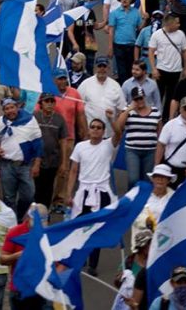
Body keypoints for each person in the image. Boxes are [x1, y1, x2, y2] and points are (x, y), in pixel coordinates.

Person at [65, 115, 121, 275]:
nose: (95, 129)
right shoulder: (80, 147)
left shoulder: (108, 145)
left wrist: (111, 120)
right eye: (93, 127)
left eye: (99, 127)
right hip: (83, 192)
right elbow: (73, 171)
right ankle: (78, 259)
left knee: (96, 229)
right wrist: (69, 194)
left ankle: (93, 265)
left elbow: (118, 133)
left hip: (101, 192)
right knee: (78, 227)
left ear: (103, 131)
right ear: (89, 130)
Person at [0, 98, 42, 220]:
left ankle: (21, 217)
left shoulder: (29, 121)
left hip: (25, 165)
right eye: (7, 109)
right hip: (6, 165)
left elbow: (38, 143)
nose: (10, 111)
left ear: (17, 107)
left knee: (28, 196)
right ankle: (12, 223)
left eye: (12, 107)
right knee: (9, 197)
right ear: (3, 111)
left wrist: (37, 164)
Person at [0, 203, 50, 310]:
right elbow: (2, 259)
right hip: (20, 290)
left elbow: (59, 262)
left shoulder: (49, 234)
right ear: (28, 217)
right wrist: (18, 256)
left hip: (43, 290)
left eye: (41, 223)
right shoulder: (15, 233)